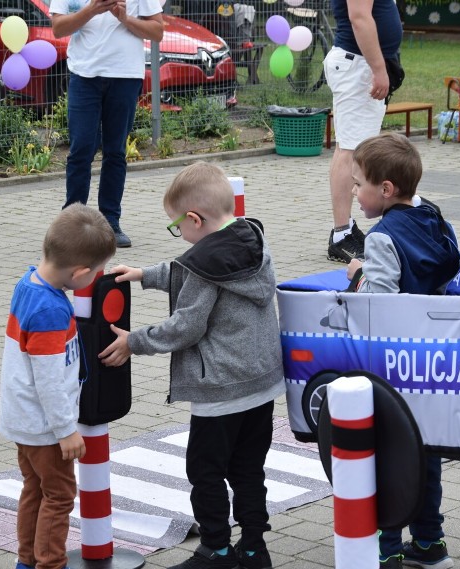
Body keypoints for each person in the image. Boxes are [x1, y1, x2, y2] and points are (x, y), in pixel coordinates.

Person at [98, 162, 285, 569]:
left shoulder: (204, 262)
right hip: (262, 384)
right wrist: (146, 274)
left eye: (177, 227)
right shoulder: (252, 238)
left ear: (195, 219)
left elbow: (186, 326)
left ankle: (216, 549)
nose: (179, 234)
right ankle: (254, 549)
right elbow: (196, 269)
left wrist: (134, 341)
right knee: (249, 470)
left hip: (219, 391)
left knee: (204, 471)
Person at [345, 133, 459, 569]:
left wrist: (358, 273)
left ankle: (386, 548)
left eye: (359, 185)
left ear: (386, 190)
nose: (354, 194)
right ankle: (430, 542)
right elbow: (451, 266)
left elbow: (378, 305)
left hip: (394, 366)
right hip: (433, 361)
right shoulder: (430, 215)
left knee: (388, 452)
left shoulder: (381, 239)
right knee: (425, 450)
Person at [0, 204, 116, 569]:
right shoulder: (50, 311)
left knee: (34, 490)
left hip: (24, 419)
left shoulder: (29, 281)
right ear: (80, 272)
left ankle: (26, 561)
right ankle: (49, 563)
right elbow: (48, 381)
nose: (95, 277)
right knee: (60, 496)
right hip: (45, 427)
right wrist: (66, 431)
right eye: (95, 272)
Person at [50, 0, 164, 249]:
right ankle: (71, 223)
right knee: (81, 150)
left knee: (115, 152)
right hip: (84, 77)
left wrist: (125, 18)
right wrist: (93, 9)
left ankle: (110, 222)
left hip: (125, 76)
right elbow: (58, 28)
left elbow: (157, 31)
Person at [324, 0, 403, 263]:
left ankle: (344, 229)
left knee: (348, 149)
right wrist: (379, 69)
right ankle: (341, 235)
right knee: (351, 152)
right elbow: (359, 17)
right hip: (357, 65)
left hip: (358, 64)